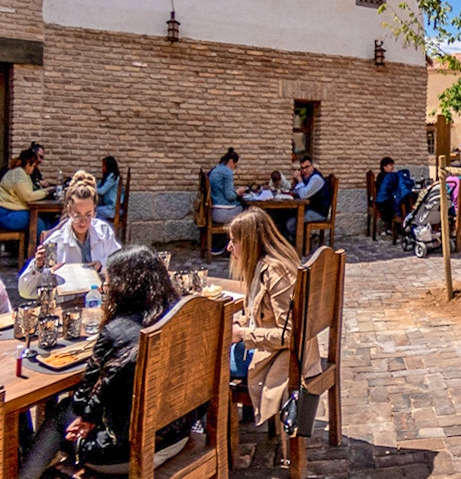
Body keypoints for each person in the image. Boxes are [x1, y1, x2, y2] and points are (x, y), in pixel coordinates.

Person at [19, 245, 196, 478]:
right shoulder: (177, 315)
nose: (105, 287)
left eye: (109, 282)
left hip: (128, 452)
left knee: (63, 410)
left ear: (123, 286)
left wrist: (89, 415)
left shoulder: (118, 331)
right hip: (177, 434)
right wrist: (92, 414)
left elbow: (82, 402)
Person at [226, 207, 320, 429]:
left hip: (278, 356)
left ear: (250, 242)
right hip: (271, 348)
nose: (229, 248)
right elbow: (260, 313)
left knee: (203, 364)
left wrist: (241, 334)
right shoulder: (263, 265)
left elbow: (290, 334)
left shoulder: (275, 272)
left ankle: (209, 436)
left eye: (234, 241)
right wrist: (240, 324)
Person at [18, 171, 122, 298]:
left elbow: (120, 267)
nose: (82, 222)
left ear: (95, 211)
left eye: (88, 215)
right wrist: (37, 267)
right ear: (69, 210)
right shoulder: (55, 242)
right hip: (69, 307)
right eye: (77, 215)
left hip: (100, 302)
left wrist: (102, 266)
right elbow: (25, 292)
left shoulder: (103, 232)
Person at [0, 148, 50, 232]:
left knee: (45, 219)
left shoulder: (21, 173)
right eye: (33, 166)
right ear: (28, 164)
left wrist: (47, 190)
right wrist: (46, 192)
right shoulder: (19, 173)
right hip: (6, 214)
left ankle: (47, 243)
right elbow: (27, 196)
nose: (34, 169)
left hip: (10, 211)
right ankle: (42, 244)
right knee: (37, 222)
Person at [286, 155, 332, 241]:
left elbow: (304, 195)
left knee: (291, 223)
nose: (304, 170)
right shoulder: (306, 178)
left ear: (312, 167)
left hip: (318, 212)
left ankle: (304, 243)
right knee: (287, 215)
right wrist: (295, 182)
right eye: (302, 168)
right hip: (309, 209)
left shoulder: (316, 179)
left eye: (307, 167)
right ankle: (303, 240)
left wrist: (299, 180)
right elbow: (297, 191)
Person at [209, 147, 247, 227]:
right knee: (248, 212)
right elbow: (230, 196)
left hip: (214, 211)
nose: (234, 168)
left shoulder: (215, 170)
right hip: (223, 212)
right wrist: (238, 192)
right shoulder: (227, 172)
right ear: (231, 162)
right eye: (235, 165)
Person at [374, 156, 412, 228]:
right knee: (403, 201)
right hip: (385, 202)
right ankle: (402, 225)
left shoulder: (383, 176)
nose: (392, 167)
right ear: (384, 167)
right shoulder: (386, 177)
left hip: (383, 200)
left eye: (392, 165)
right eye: (390, 165)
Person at [95, 156, 120, 222]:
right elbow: (97, 186)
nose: (102, 168)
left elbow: (102, 191)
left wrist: (90, 190)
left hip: (111, 209)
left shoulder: (113, 178)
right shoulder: (107, 177)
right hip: (106, 207)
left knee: (90, 211)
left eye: (103, 166)